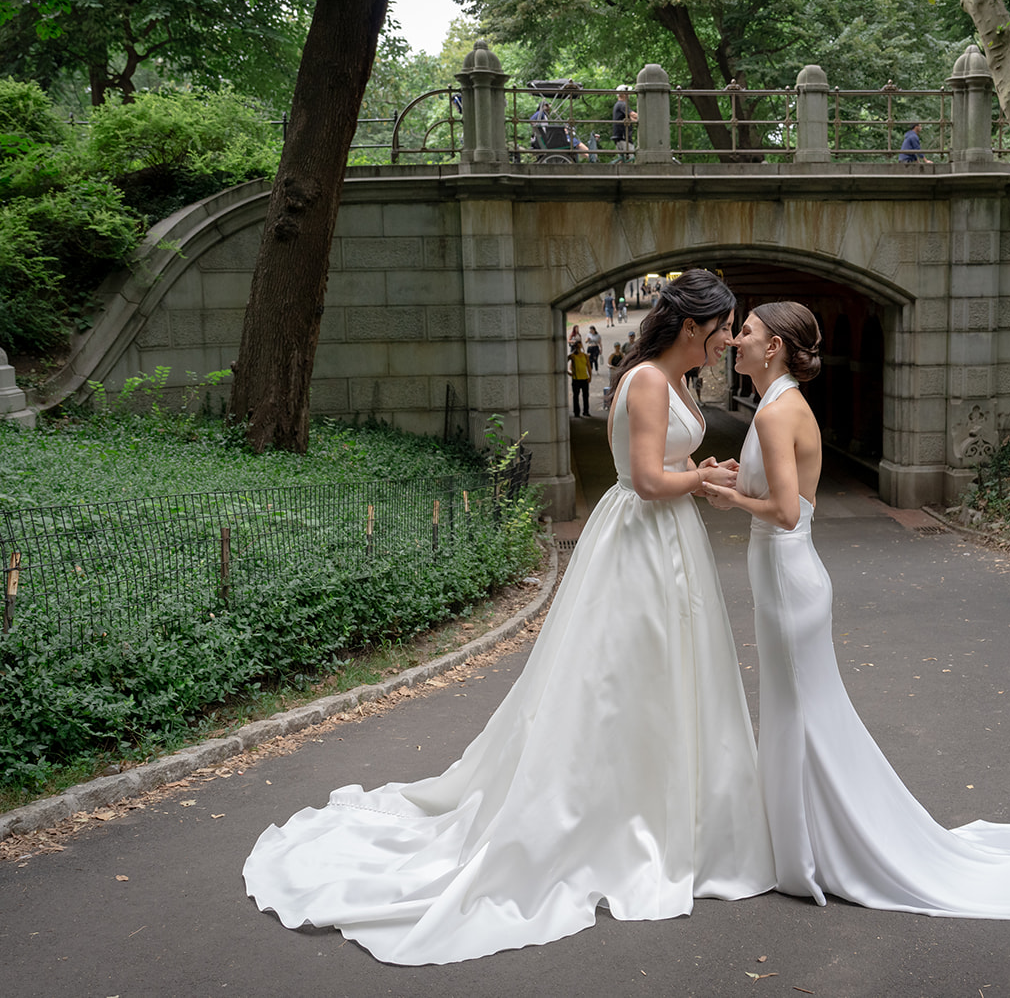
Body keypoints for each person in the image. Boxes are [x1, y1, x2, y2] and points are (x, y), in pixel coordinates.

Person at [243, 271, 773, 965]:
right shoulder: (645, 379)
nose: (730, 339)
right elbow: (644, 479)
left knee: (669, 679)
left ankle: (670, 812)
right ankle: (614, 819)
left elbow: (667, 462)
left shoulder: (674, 381)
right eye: (725, 326)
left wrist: (702, 468)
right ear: (693, 324)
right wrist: (698, 479)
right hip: (640, 541)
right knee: (621, 679)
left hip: (673, 542)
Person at [703, 301, 1010, 927]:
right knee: (793, 711)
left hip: (787, 573)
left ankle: (816, 851)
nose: (735, 341)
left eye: (745, 332)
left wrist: (728, 498)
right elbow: (781, 495)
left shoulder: (779, 413)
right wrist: (727, 480)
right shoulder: (774, 408)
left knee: (801, 710)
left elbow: (784, 511)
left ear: (774, 346)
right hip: (781, 575)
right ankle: (800, 845)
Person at [611, 85, 638, 161]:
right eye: (627, 92)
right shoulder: (622, 104)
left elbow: (632, 118)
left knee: (623, 159)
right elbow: (633, 115)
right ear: (623, 94)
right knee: (630, 158)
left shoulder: (619, 105)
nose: (628, 94)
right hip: (623, 137)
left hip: (620, 136)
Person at [567, 339, 592, 416]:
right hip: (576, 379)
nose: (579, 347)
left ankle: (586, 411)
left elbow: (588, 366)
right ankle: (576, 412)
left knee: (585, 396)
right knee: (576, 397)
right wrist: (569, 372)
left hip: (584, 378)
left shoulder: (585, 356)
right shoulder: (572, 356)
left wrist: (590, 376)